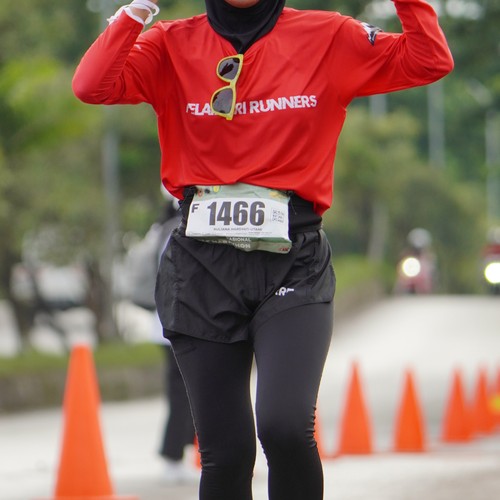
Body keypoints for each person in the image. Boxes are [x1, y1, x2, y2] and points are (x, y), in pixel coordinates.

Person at [72, 0, 453, 498]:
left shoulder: (328, 36)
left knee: (284, 426)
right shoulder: (169, 43)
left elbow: (429, 60)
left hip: (293, 261)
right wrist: (134, 13)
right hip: (200, 268)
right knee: (226, 453)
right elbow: (92, 85)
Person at [125, 196, 197, 483]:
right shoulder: (176, 230)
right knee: (183, 394)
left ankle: (177, 456)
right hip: (177, 323)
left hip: (164, 323)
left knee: (183, 393)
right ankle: (173, 458)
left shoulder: (160, 229)